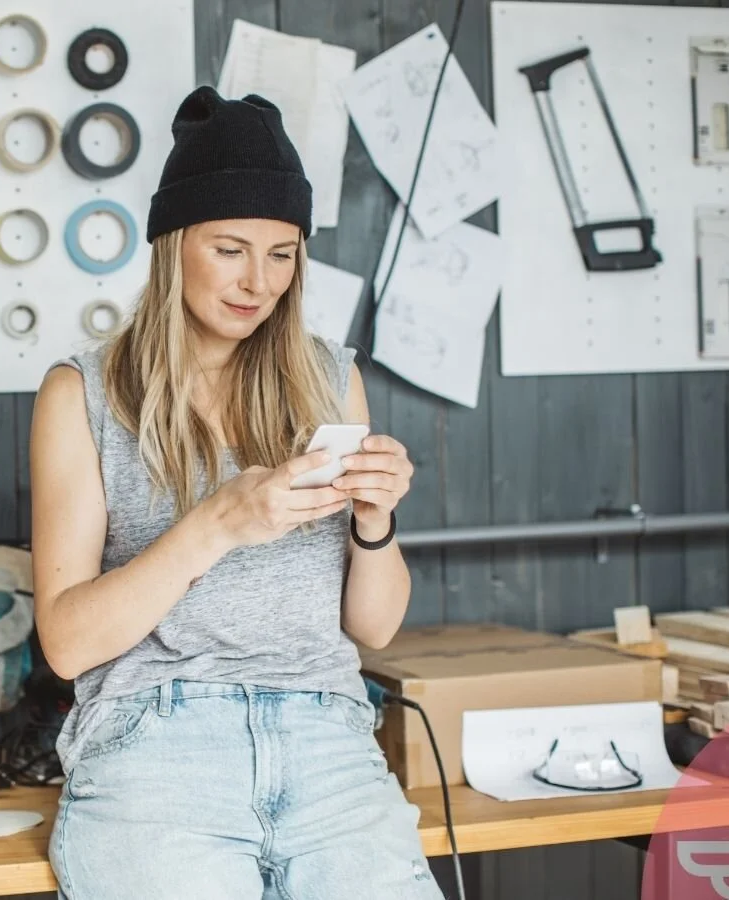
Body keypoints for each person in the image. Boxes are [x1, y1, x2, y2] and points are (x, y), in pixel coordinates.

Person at [28, 86, 441, 899]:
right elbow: (68, 643)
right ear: (173, 243)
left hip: (330, 738)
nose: (259, 280)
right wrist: (217, 523)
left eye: (282, 253)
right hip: (157, 742)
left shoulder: (330, 379)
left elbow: (376, 625)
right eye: (230, 248)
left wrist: (375, 521)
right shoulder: (81, 394)